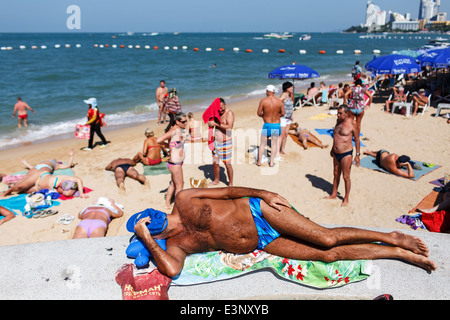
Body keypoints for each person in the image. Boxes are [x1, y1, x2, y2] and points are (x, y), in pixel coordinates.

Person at [133, 186, 437, 278]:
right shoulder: (175, 245)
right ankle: (397, 252)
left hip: (258, 211)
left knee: (326, 237)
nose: (155, 220)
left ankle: (392, 237)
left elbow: (228, 192)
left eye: (150, 217)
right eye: (148, 225)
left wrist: (263, 193)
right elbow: (171, 270)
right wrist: (147, 240)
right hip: (263, 242)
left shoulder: (184, 199)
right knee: (327, 255)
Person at [324, 105, 360, 206]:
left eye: (340, 113)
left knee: (346, 176)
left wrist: (357, 155)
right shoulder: (338, 121)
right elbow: (336, 136)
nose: (338, 115)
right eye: (338, 113)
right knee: (335, 174)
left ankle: (346, 198)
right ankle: (334, 194)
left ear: (346, 114)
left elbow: (357, 140)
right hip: (336, 153)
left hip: (346, 154)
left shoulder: (352, 123)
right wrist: (332, 149)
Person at [157, 112, 187, 209]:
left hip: (176, 163)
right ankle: (179, 206)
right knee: (180, 185)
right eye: (183, 121)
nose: (185, 123)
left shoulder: (178, 130)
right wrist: (169, 146)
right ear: (177, 121)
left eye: (186, 121)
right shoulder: (173, 131)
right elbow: (158, 140)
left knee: (173, 183)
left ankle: (167, 204)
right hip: (175, 164)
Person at [208, 98, 234, 186]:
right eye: (219, 108)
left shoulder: (229, 113)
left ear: (225, 105)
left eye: (222, 107)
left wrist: (216, 124)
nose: (221, 110)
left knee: (227, 164)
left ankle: (230, 183)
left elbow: (229, 127)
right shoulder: (216, 113)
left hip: (226, 142)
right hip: (216, 142)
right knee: (215, 162)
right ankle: (216, 180)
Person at [257, 85, 285, 167]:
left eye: (266, 91)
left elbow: (258, 113)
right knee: (274, 144)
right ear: (274, 92)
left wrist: (264, 116)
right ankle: (271, 162)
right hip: (276, 125)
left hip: (267, 125)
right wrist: (276, 115)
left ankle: (259, 161)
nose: (266, 92)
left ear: (268, 91)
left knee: (262, 143)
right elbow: (283, 113)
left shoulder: (263, 101)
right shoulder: (279, 102)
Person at [279, 82, 294, 155]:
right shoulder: (284, 95)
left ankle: (283, 149)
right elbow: (277, 102)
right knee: (281, 135)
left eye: (292, 87)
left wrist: (292, 115)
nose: (292, 88)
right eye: (290, 87)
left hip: (289, 118)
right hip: (283, 118)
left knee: (286, 134)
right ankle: (277, 152)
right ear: (286, 88)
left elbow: (291, 107)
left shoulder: (290, 95)